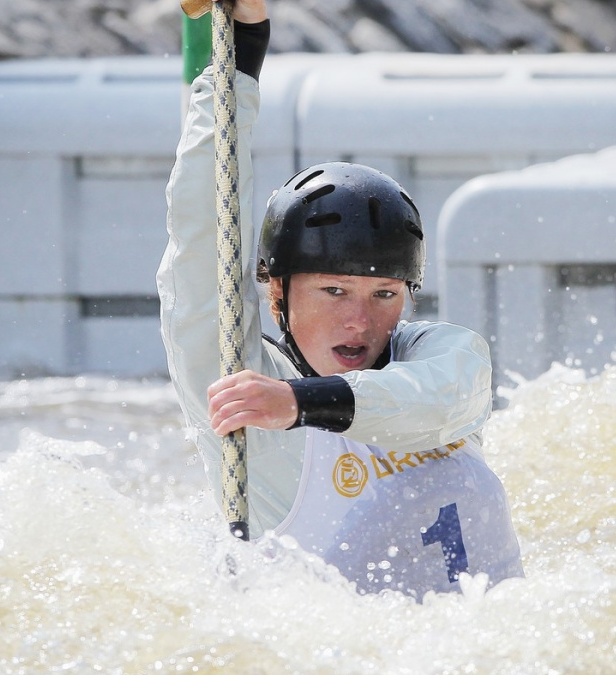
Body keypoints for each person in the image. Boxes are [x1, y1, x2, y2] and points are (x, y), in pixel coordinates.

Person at [158, 0, 523, 599]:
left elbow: (437, 399)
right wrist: (244, 51)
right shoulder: (242, 395)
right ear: (275, 291)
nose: (361, 320)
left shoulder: (441, 356)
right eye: (333, 290)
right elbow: (199, 237)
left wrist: (298, 402)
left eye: (384, 293)